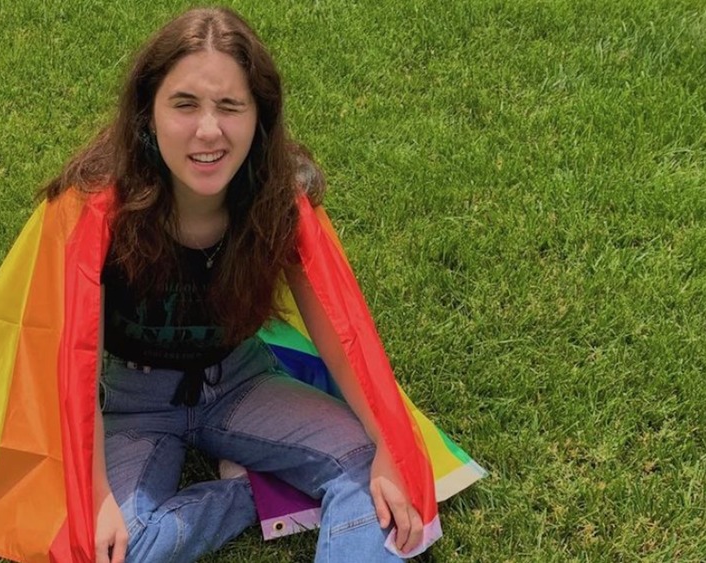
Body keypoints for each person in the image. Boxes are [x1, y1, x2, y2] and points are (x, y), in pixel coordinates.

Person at [41, 7, 424, 563]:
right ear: (148, 112)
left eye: (229, 107)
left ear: (258, 118)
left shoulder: (279, 202)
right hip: (135, 404)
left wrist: (391, 444)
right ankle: (250, 491)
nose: (208, 130)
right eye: (184, 104)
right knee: (107, 551)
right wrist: (97, 493)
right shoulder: (98, 209)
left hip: (241, 383)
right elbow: (73, 357)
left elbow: (341, 334)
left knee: (379, 478)